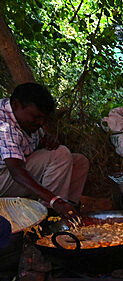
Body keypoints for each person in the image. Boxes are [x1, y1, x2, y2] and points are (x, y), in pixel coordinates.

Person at [0, 82, 88, 221]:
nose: (41, 123)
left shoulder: (18, 112)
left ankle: (70, 212)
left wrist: (45, 141)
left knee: (79, 162)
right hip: (5, 178)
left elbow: (27, 145)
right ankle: (49, 217)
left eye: (43, 118)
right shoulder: (4, 125)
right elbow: (17, 172)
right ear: (16, 105)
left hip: (13, 171)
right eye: (36, 117)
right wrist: (55, 201)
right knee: (60, 155)